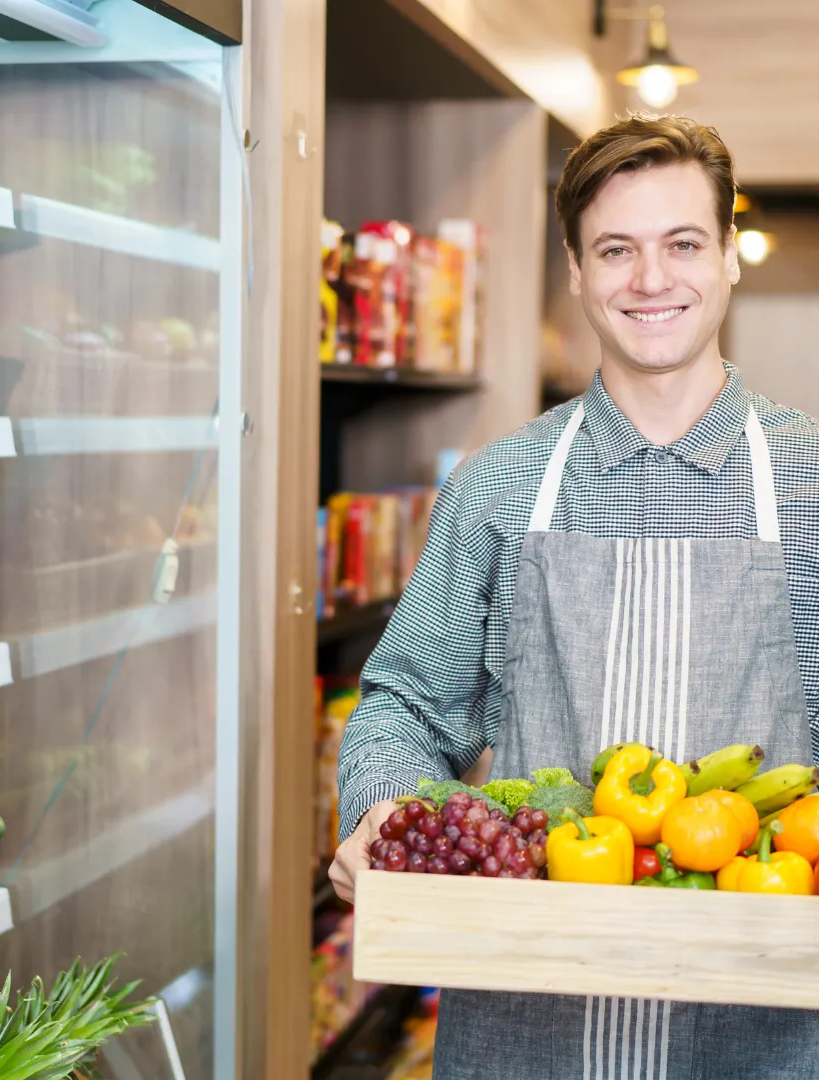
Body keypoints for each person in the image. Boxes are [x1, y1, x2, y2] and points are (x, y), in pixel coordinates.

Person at [329, 113, 819, 1080]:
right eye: (615, 249)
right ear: (575, 269)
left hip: (764, 1025)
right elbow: (408, 704)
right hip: (527, 1020)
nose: (651, 279)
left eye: (683, 243)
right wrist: (381, 806)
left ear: (727, 256)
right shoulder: (497, 485)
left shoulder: (812, 483)